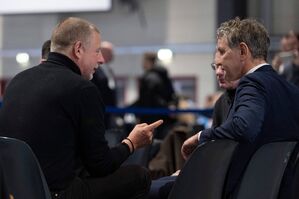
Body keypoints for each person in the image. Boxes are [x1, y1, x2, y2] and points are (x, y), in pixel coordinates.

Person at [0, 17, 163, 199]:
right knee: (139, 176)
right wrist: (131, 143)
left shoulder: (16, 82)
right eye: (97, 51)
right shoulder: (82, 89)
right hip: (57, 194)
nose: (101, 59)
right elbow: (101, 165)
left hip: (15, 191)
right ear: (78, 50)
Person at [181, 17, 299, 198]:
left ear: (243, 51)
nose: (217, 59)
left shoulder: (252, 82)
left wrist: (199, 137)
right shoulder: (290, 90)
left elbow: (244, 127)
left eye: (221, 51)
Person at [148, 55, 239, 199]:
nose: (218, 72)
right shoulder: (223, 103)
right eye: (216, 67)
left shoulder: (238, 105)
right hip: (211, 172)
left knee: (150, 189)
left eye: (223, 67)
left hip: (217, 178)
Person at [132, 52, 176, 139]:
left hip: (150, 116)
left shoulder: (149, 77)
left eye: (143, 61)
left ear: (148, 61)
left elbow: (146, 98)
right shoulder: (163, 75)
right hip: (163, 116)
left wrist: (134, 110)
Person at [91, 41, 117, 129]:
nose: (113, 55)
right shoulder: (94, 69)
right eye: (111, 52)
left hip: (110, 112)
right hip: (99, 111)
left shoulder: (110, 70)